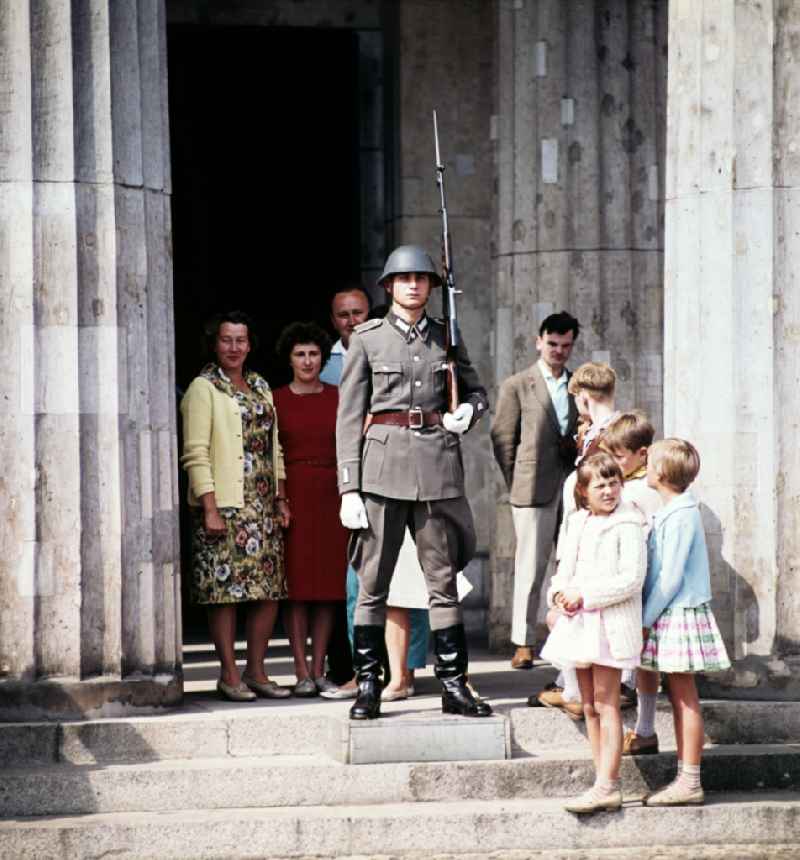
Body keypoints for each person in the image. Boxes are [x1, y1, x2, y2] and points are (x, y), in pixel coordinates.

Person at [337, 244, 491, 720]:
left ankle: (452, 683)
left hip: (436, 469)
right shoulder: (367, 338)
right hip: (382, 471)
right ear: (388, 287)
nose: (413, 286)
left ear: (430, 287)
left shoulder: (447, 337)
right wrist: (349, 487)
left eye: (422, 279)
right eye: (404, 280)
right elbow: (349, 417)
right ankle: (369, 684)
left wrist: (469, 410)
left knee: (441, 583)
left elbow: (476, 390)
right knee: (373, 584)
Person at [180, 311, 290, 702]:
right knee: (223, 593)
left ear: (249, 344)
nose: (234, 347)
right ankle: (228, 675)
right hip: (223, 506)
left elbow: (274, 446)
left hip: (262, 505)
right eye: (226, 340)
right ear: (215, 343)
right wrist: (208, 507)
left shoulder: (260, 385)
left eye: (240, 340)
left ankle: (256, 670)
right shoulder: (203, 388)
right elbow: (194, 453)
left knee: (268, 591)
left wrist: (281, 498)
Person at [540, 453, 647, 814]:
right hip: (579, 625)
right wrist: (558, 595)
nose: (608, 490)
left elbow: (631, 579)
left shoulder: (629, 523)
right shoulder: (576, 522)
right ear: (583, 491)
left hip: (609, 625)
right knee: (587, 705)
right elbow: (562, 570)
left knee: (606, 703)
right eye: (599, 485)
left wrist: (585, 596)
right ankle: (599, 777)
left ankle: (609, 784)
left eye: (613, 482)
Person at [640, 439, 731, 806]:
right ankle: (686, 776)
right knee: (679, 697)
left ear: (661, 473)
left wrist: (645, 620)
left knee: (684, 697)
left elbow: (671, 577)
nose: (644, 467)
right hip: (670, 613)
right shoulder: (672, 511)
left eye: (649, 463)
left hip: (678, 613)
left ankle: (690, 779)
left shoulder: (681, 515)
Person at [490, 312, 580, 671]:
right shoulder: (518, 384)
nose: (559, 351)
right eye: (553, 344)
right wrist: (516, 478)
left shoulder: (577, 385)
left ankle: (567, 638)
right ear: (539, 341)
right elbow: (502, 436)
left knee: (572, 563)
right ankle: (523, 642)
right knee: (529, 566)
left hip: (573, 483)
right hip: (532, 484)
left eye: (566, 345)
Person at [273, 323, 350, 697]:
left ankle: (320, 669)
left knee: (329, 588)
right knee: (298, 588)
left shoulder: (339, 396)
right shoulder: (276, 399)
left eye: (314, 354)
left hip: (333, 495)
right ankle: (300, 669)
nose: (308, 361)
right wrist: (280, 498)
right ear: (289, 359)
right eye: (300, 354)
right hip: (297, 495)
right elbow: (272, 456)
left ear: (323, 357)